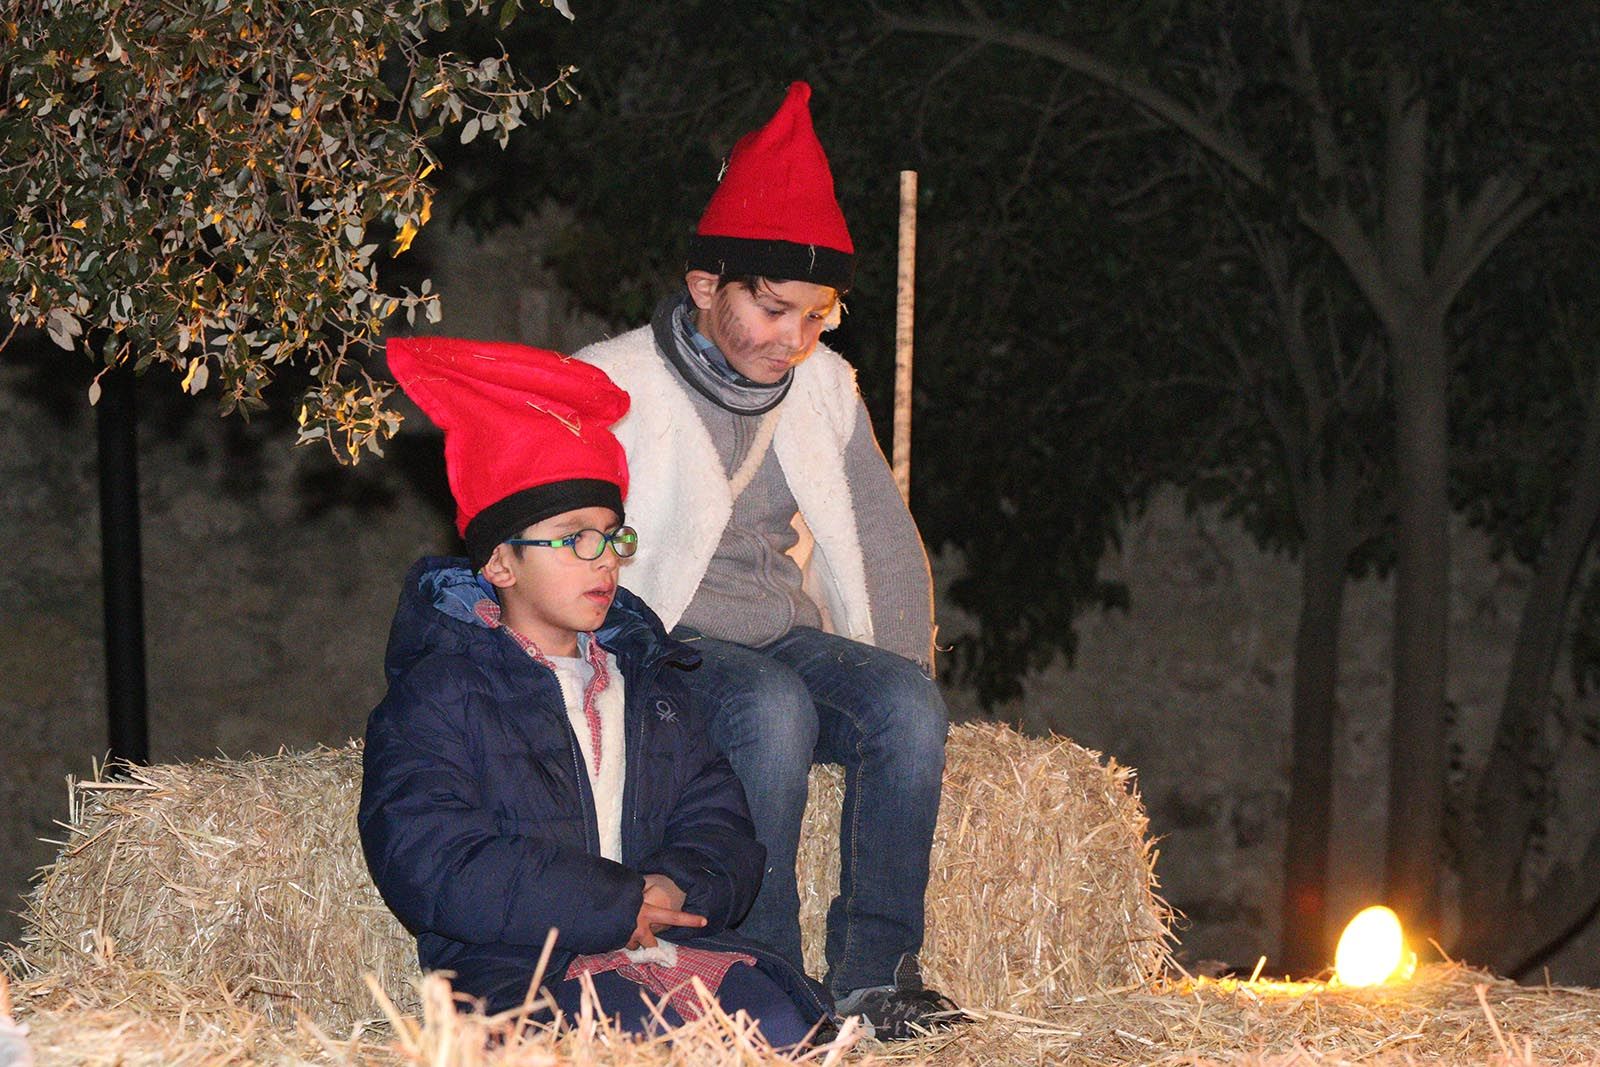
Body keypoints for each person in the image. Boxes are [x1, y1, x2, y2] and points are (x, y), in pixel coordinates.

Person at [576, 81, 967, 1041]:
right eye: (775, 308)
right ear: (709, 286)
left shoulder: (825, 387)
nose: (794, 339)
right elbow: (563, 530)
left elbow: (879, 536)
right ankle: (765, 978)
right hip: (662, 638)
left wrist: (897, 661)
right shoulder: (612, 381)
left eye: (818, 316)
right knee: (768, 708)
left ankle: (877, 972)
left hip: (778, 629)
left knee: (906, 705)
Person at [358, 336, 831, 1047]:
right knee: (649, 1040)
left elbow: (723, 824)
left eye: (612, 535)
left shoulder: (648, 684)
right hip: (520, 974)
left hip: (654, 952)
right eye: (574, 537)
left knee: (790, 1024)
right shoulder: (440, 694)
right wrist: (613, 904)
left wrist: (677, 886)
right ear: (500, 561)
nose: (604, 559)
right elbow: (434, 858)